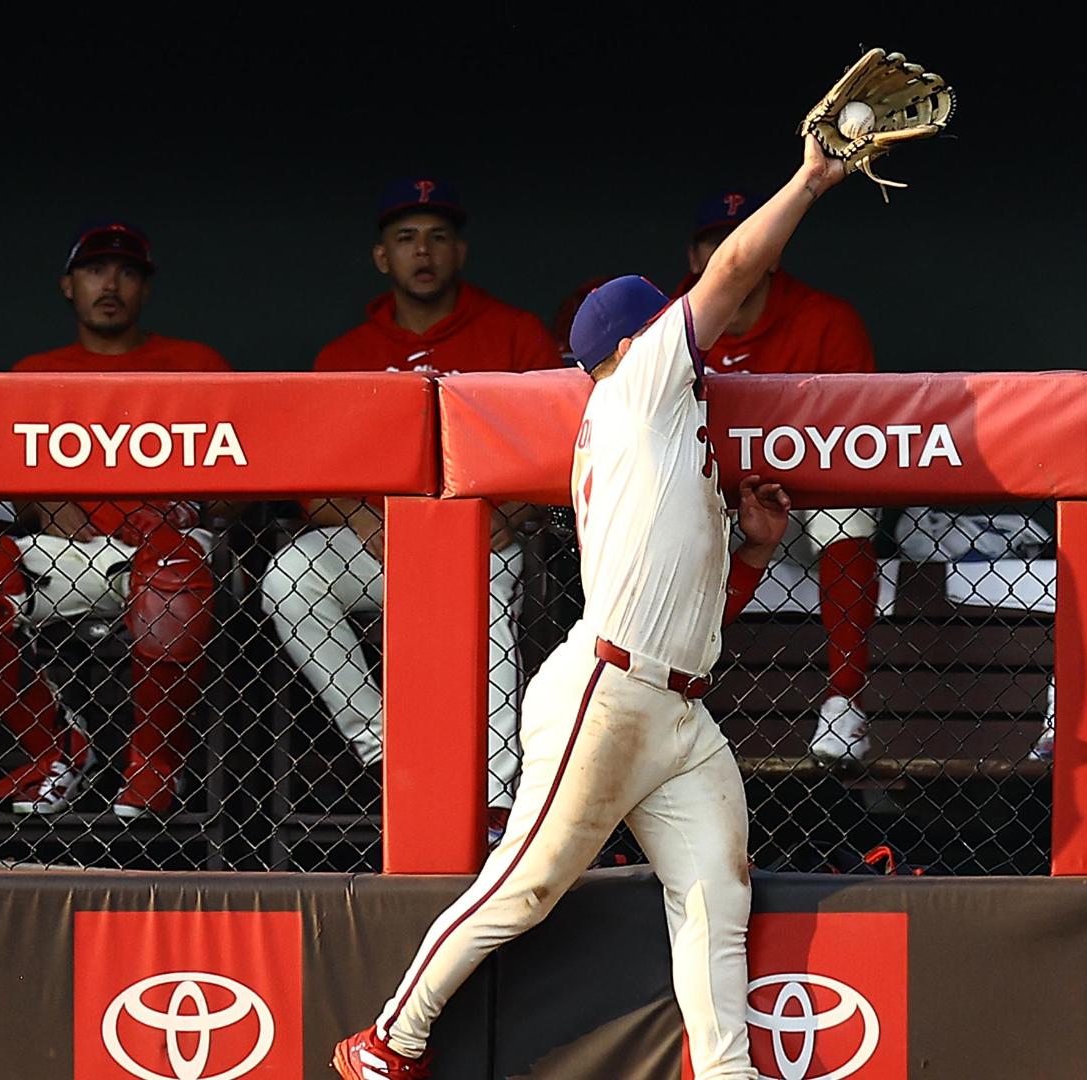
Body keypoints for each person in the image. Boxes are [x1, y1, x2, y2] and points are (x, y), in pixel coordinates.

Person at [331, 134, 849, 1080]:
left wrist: (753, 552)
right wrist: (810, 178)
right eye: (669, 324)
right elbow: (736, 267)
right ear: (632, 342)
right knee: (523, 887)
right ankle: (387, 1039)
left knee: (715, 902)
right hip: (606, 695)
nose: (696, 334)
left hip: (680, 708)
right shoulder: (637, 389)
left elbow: (698, 607)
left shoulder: (670, 425)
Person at [264, 178, 553, 840]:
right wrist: (365, 522)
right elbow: (312, 478)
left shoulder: (513, 335)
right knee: (288, 576)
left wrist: (504, 515)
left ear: (460, 252)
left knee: (484, 608)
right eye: (405, 239)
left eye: (437, 237)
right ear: (381, 259)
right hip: (379, 544)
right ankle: (386, 747)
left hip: (483, 538)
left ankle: (496, 798)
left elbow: (561, 446)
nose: (422, 251)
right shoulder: (346, 356)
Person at [0, 221, 233, 820]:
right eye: (95, 270)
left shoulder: (196, 364)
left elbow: (249, 479)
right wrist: (47, 501)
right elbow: (9, 483)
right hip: (70, 546)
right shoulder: (33, 372)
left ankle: (153, 763)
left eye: (127, 272)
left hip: (167, 549)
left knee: (169, 593)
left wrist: (184, 503)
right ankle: (54, 749)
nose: (110, 284)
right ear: (69, 286)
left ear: (147, 289)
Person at [675, 189, 884, 765]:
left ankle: (845, 701)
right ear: (695, 260)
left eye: (747, 240)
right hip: (706, 512)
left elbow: (858, 448)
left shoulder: (825, 319)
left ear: (772, 252)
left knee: (850, 506)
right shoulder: (669, 323)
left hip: (796, 515)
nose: (734, 255)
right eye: (719, 246)